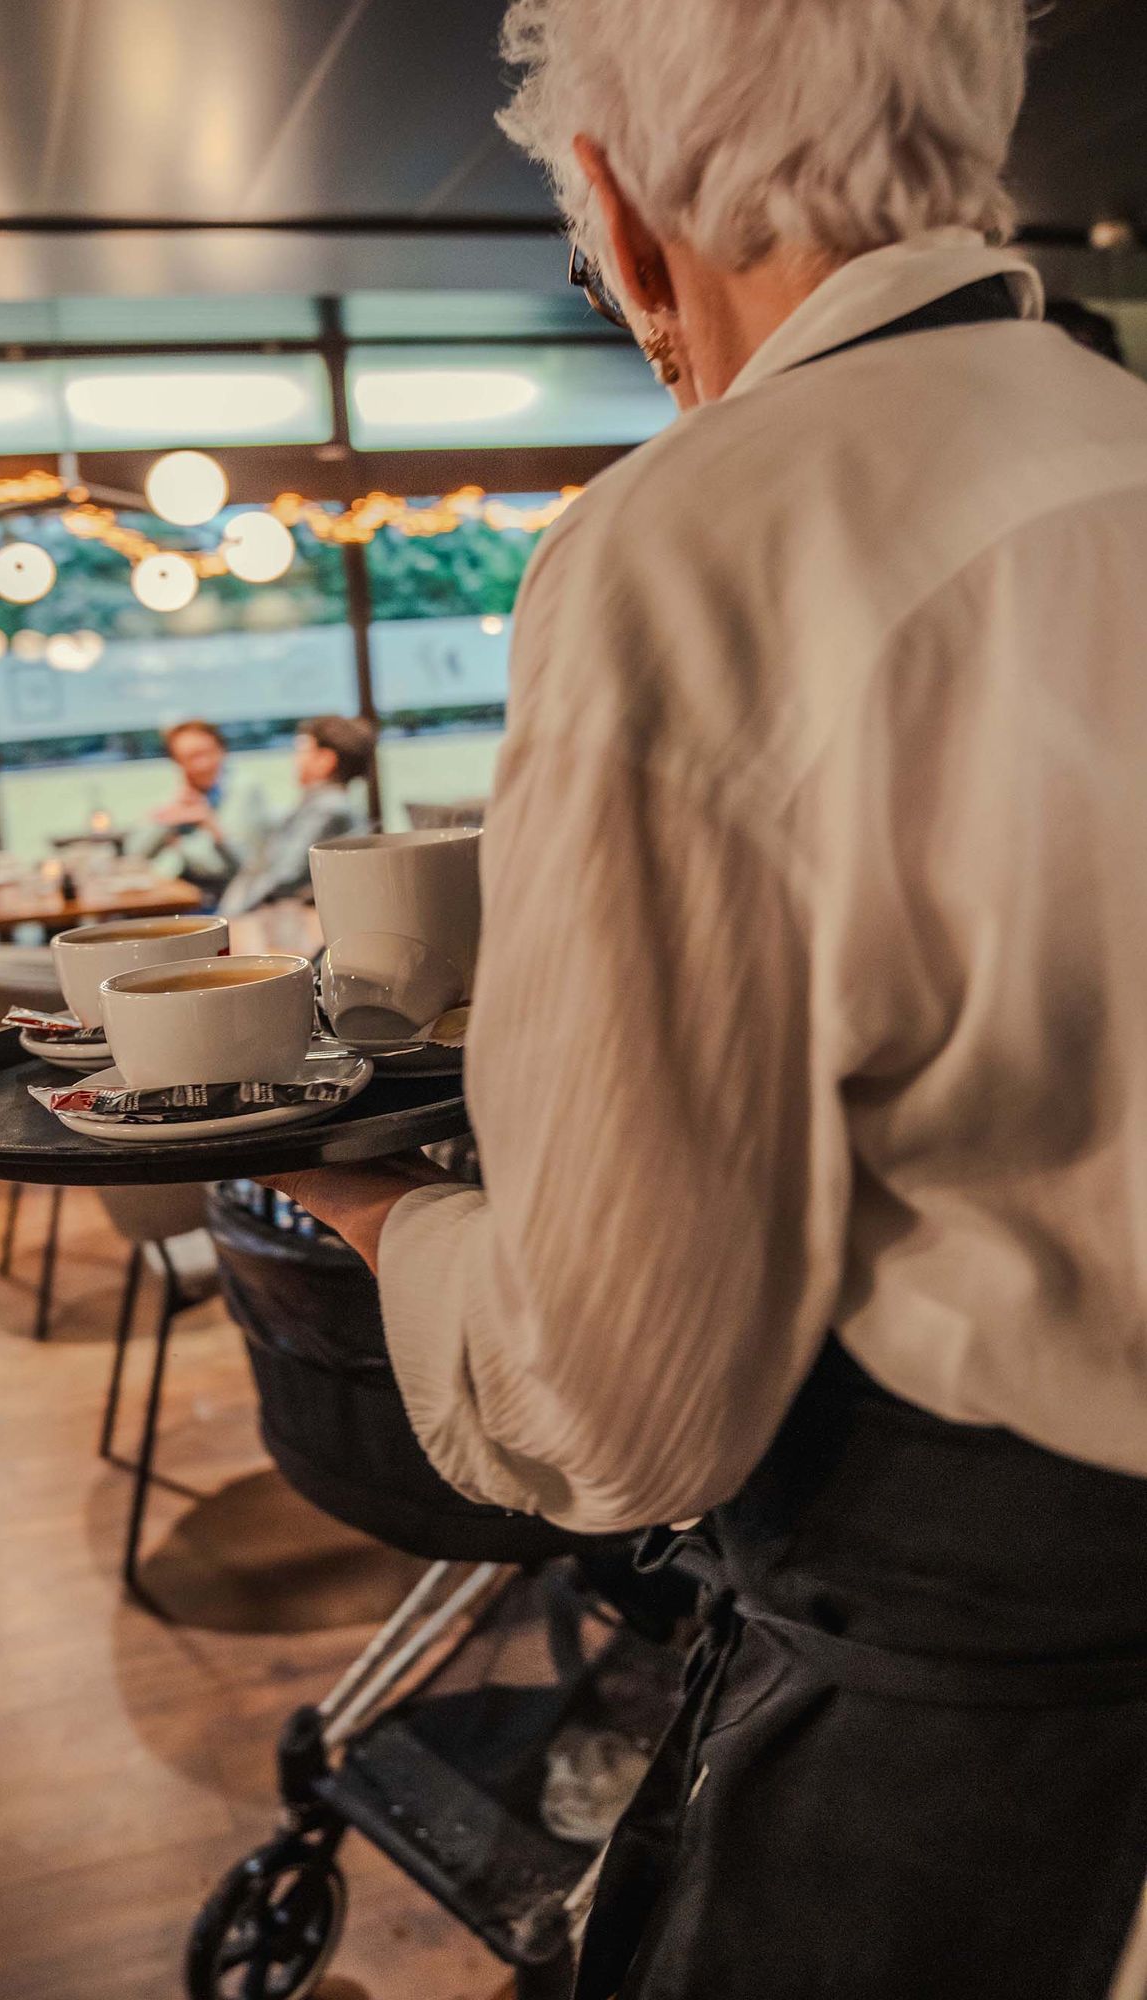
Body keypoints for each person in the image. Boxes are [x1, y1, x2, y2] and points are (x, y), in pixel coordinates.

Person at [263, 3, 1147, 1995]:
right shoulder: (1123, 439)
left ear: (619, 206)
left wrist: (372, 1209)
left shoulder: (694, 530)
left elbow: (620, 1398)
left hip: (983, 1725)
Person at [219, 715, 372, 918]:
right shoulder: (321, 805)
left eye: (302, 751)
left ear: (325, 760)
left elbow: (286, 876)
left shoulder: (328, 809)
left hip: (279, 920)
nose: (295, 759)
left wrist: (236, 912)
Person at [130, 718, 269, 905]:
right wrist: (167, 821)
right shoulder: (179, 794)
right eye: (190, 757)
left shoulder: (243, 789)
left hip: (225, 899)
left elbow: (235, 865)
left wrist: (201, 830)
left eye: (206, 753)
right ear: (177, 762)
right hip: (176, 896)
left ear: (222, 751)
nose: (202, 764)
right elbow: (135, 852)